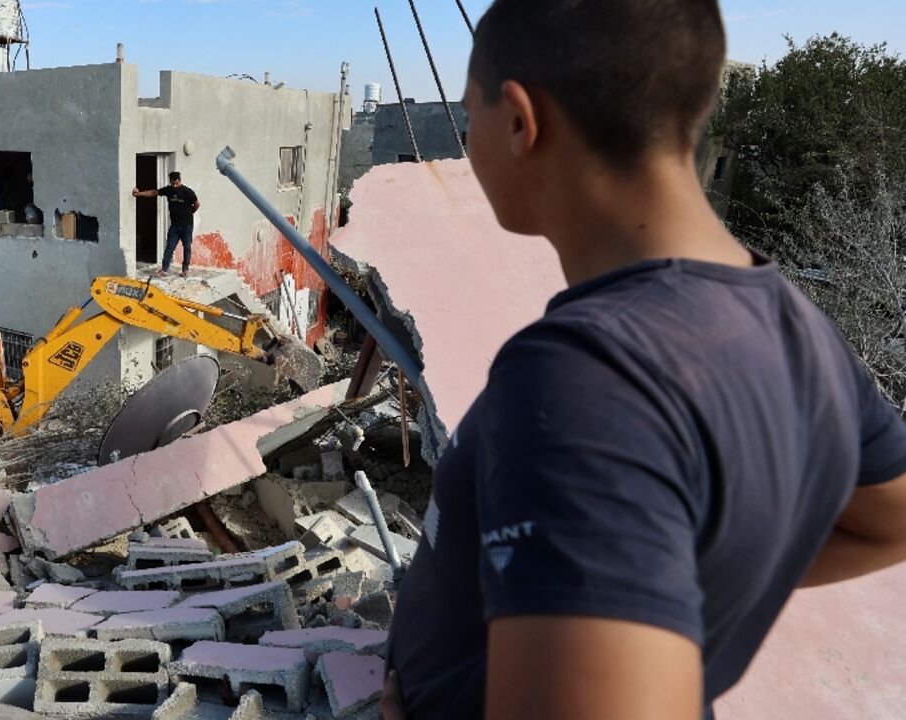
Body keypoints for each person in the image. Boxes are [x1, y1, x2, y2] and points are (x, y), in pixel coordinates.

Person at [381, 1, 906, 719]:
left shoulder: (583, 380)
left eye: (469, 114)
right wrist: (677, 601)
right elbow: (893, 522)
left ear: (518, 121)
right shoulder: (804, 335)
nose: (467, 140)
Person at [133, 171, 199, 276]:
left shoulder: (187, 192)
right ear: (170, 182)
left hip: (187, 226)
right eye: (173, 184)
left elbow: (196, 204)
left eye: (176, 183)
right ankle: (164, 270)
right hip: (175, 226)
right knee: (169, 247)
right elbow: (154, 192)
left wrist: (190, 213)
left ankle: (185, 270)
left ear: (180, 181)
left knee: (187, 247)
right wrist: (138, 194)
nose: (175, 186)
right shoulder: (169, 190)